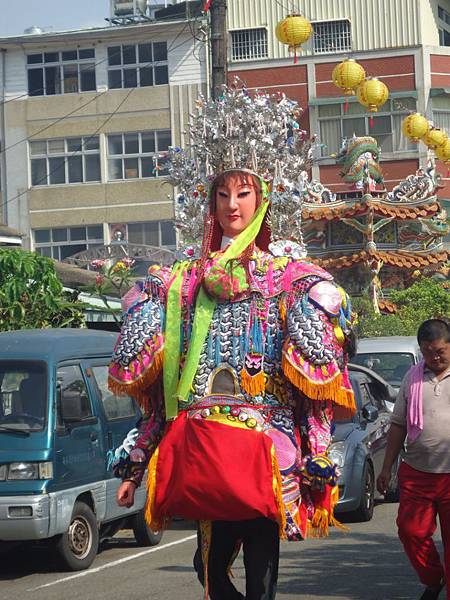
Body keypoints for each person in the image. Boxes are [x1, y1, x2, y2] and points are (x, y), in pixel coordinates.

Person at [108, 86, 356, 600]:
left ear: (261, 201)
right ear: (210, 203)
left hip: (267, 446)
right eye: (222, 194)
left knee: (262, 574)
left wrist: (319, 451)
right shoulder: (180, 281)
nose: (231, 205)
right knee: (210, 570)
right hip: (203, 446)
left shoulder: (292, 278)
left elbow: (318, 375)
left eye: (243, 194)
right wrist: (137, 462)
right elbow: (162, 391)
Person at [377, 319, 450, 600]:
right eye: (428, 351)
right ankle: (434, 578)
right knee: (411, 531)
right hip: (417, 472)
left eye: (440, 350)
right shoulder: (413, 377)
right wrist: (386, 468)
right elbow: (398, 424)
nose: (434, 356)